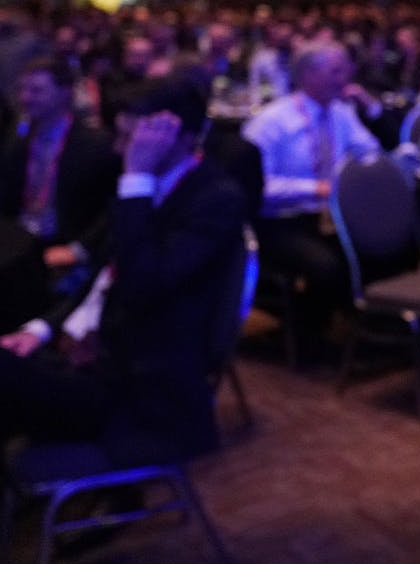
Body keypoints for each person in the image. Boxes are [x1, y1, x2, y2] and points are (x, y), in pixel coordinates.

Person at [0, 74, 246, 465]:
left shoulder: (214, 200)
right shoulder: (138, 185)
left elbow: (141, 285)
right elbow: (101, 274)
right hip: (89, 356)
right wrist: (40, 329)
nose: (118, 150)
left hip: (138, 384)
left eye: (130, 140)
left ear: (178, 139)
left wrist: (137, 179)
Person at [242, 40, 381, 334]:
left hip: (329, 217)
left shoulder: (340, 112)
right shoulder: (270, 122)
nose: (345, 79)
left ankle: (356, 327)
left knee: (377, 249)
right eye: (336, 71)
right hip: (279, 221)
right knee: (325, 267)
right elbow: (254, 187)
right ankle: (307, 340)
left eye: (345, 70)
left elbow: (370, 152)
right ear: (307, 75)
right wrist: (315, 188)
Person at [0, 56, 121, 329]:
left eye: (37, 90)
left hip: (65, 244)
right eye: (23, 90)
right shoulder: (16, 139)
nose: (26, 98)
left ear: (64, 93)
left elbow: (111, 210)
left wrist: (79, 249)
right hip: (19, 243)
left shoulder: (96, 146)